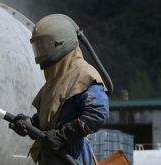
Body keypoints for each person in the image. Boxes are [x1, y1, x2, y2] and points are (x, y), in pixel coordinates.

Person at [9, 14, 110, 165]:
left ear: (59, 43)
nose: (40, 52)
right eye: (38, 47)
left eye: (43, 46)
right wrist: (29, 124)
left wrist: (62, 136)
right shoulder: (55, 81)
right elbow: (53, 121)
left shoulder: (84, 75)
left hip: (73, 158)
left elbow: (98, 114)